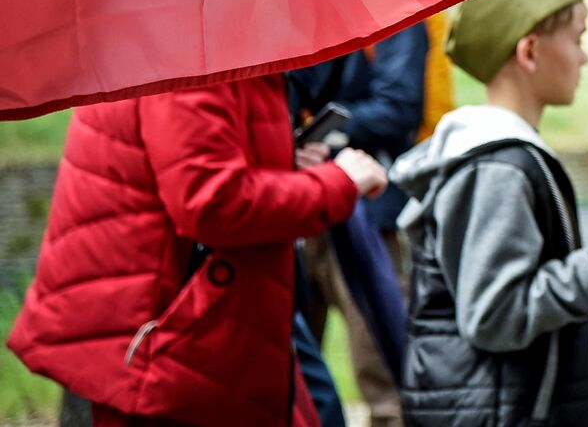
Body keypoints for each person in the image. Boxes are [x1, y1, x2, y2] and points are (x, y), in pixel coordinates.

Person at [7, 76, 389, 427]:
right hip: (163, 344)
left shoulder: (188, 38)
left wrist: (281, 159)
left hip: (161, 333)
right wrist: (338, 183)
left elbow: (189, 160)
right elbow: (211, 201)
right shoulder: (194, 52)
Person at [391, 0, 588, 426]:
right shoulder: (499, 169)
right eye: (577, 39)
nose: (585, 57)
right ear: (530, 51)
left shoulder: (511, 158)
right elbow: (495, 314)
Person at [288, 22, 430, 427]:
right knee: (291, 376)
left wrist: (319, 132)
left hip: (365, 209)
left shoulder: (394, 14)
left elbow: (399, 105)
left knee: (385, 376)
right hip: (296, 204)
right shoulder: (299, 8)